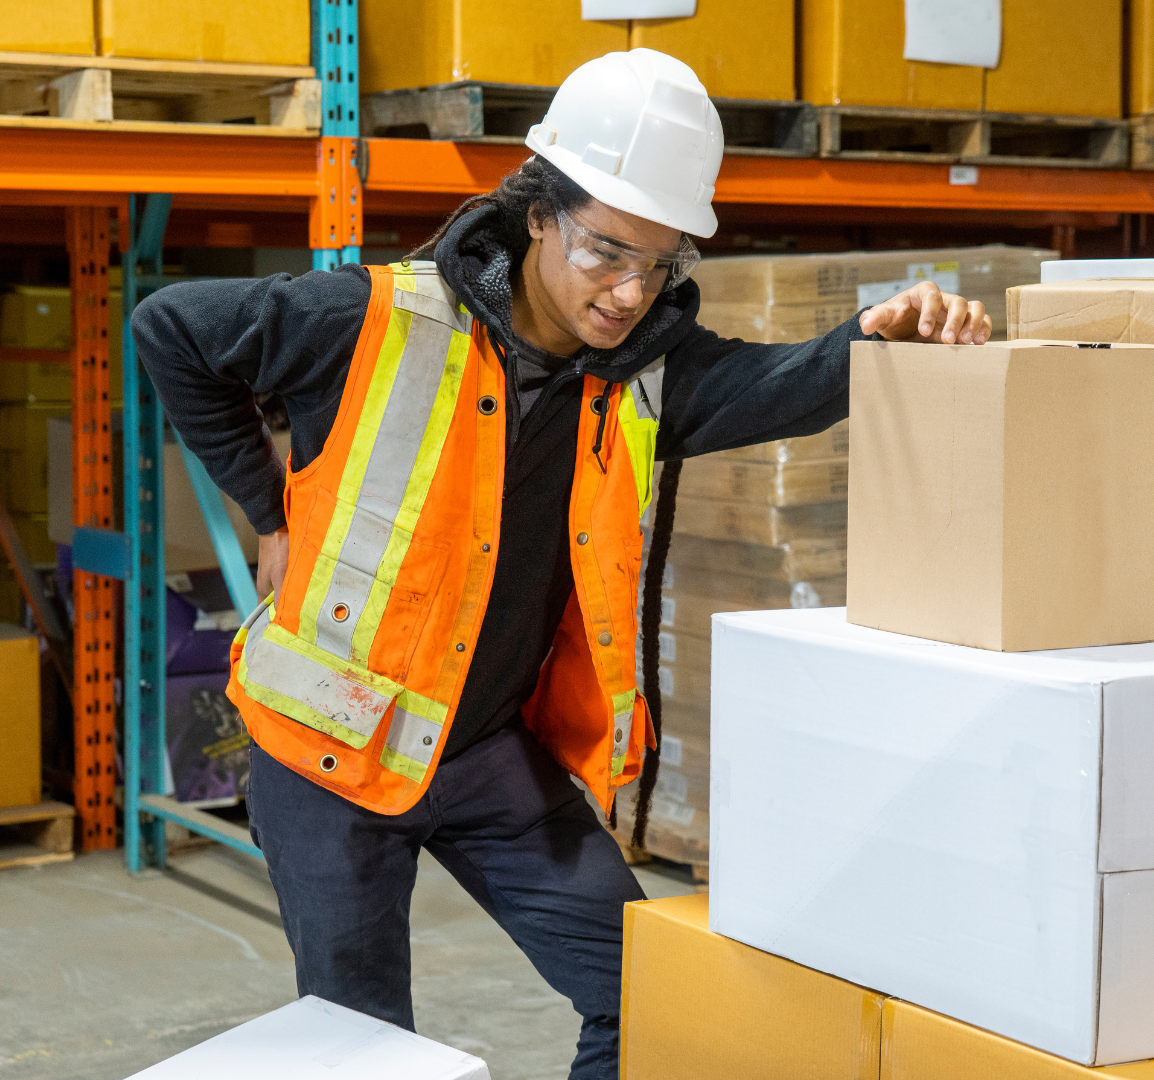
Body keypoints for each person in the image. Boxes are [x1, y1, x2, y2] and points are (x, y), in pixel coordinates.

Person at [134, 48, 991, 1080]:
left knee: (646, 996)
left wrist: (882, 335)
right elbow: (169, 329)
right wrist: (268, 507)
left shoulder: (644, 376)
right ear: (538, 213)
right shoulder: (365, 320)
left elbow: (787, 385)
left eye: (660, 263)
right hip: (327, 753)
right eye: (606, 252)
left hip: (484, 748)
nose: (630, 291)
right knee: (363, 1053)